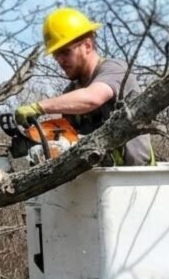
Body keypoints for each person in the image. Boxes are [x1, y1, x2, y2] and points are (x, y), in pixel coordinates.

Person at [14, 8, 155, 166]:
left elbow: (92, 98)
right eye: (56, 55)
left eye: (65, 52)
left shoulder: (114, 69)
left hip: (132, 177)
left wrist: (39, 107)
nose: (60, 60)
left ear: (87, 46)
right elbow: (69, 136)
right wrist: (34, 136)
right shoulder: (70, 92)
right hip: (96, 176)